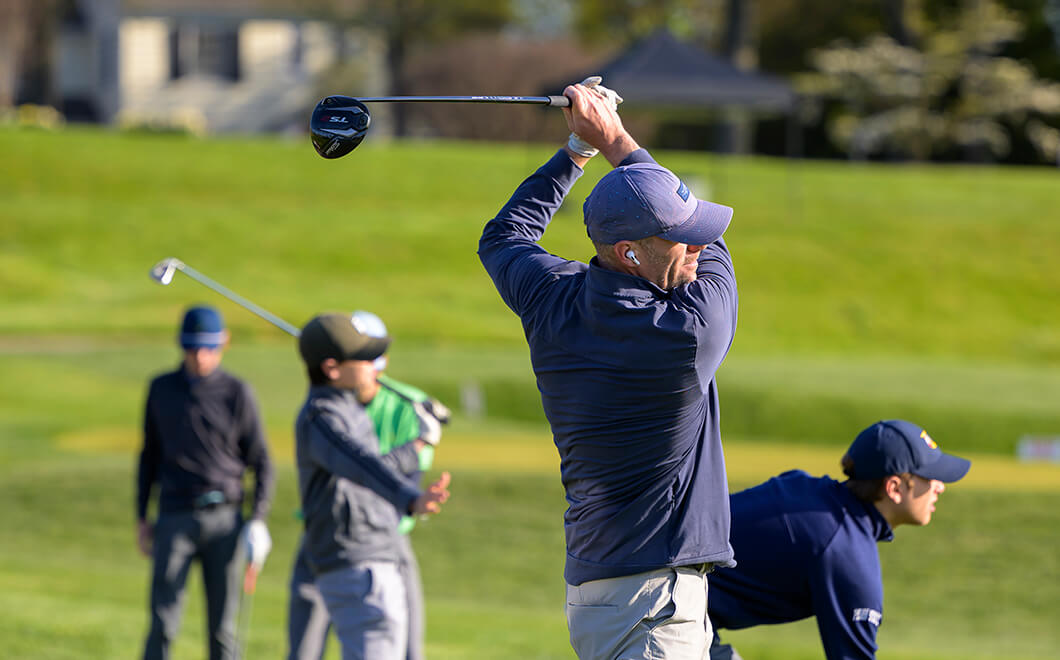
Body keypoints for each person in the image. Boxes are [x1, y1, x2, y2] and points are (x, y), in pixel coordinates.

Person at [478, 78, 738, 659]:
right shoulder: (689, 332)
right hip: (656, 602)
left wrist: (577, 151)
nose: (698, 247)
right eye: (681, 238)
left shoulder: (550, 296)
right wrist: (611, 137)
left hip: (594, 590)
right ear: (629, 252)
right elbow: (719, 253)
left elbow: (503, 237)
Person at [707, 419, 972, 660]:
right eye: (928, 477)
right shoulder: (845, 552)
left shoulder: (805, 486)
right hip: (670, 598)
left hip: (679, 591)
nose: (940, 486)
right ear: (894, 488)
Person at [287, 310, 450, 660]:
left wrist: (418, 445)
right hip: (355, 561)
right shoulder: (322, 418)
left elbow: (369, 469)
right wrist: (410, 497)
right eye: (363, 358)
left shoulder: (348, 411)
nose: (374, 366)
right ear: (332, 369)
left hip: (374, 553)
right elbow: (363, 465)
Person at [136, 304, 275, 660]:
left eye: (208, 347)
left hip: (226, 520)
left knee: (224, 632)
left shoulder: (237, 393)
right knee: (163, 623)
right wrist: (142, 517)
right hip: (174, 516)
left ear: (224, 344)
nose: (199, 356)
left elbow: (261, 462)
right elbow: (149, 456)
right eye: (191, 347)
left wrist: (258, 520)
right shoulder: (161, 389)